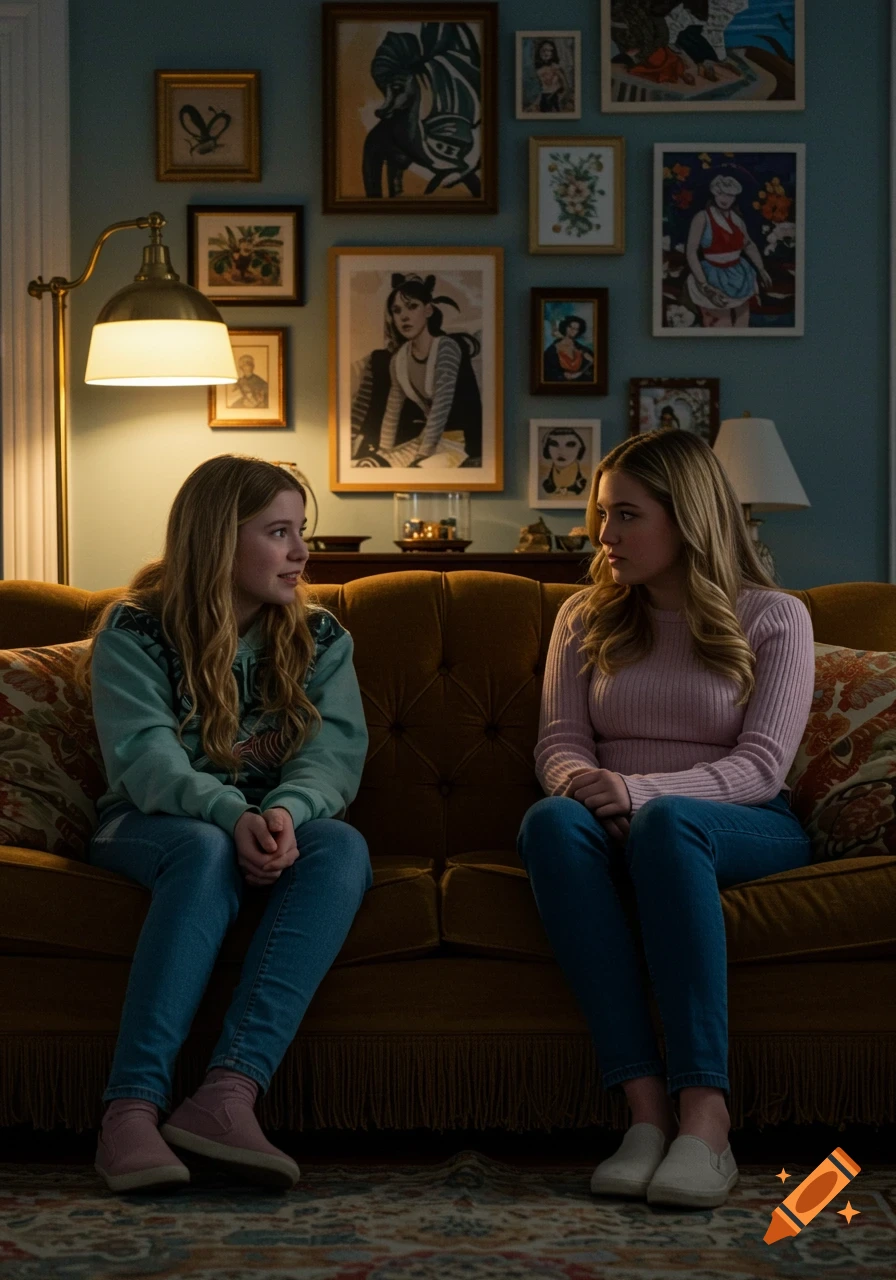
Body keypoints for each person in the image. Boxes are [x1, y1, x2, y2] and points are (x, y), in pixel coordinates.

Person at [517, 428, 814, 1209]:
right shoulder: (585, 616)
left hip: (740, 823)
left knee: (666, 825)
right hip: (612, 816)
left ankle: (705, 1119)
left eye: (627, 515)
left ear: (688, 519)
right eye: (601, 514)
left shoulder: (775, 617)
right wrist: (590, 789)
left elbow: (761, 768)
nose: (604, 535)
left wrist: (642, 796)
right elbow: (560, 742)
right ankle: (645, 1115)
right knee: (548, 824)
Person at [80, 455, 372, 1194]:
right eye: (280, 532)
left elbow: (334, 760)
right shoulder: (135, 629)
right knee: (206, 847)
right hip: (150, 826)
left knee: (341, 845)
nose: (303, 553)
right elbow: (146, 763)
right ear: (217, 540)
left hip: (271, 823)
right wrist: (231, 813)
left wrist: (281, 811)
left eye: (302, 531)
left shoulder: (322, 637)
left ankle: (226, 1095)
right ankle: (130, 1112)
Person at [370, 272, 483, 468]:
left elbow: (441, 405)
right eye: (397, 311)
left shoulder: (447, 348)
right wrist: (383, 452)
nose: (404, 316)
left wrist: (422, 455)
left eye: (412, 307)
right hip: (428, 441)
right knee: (373, 464)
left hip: (460, 442)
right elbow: (392, 410)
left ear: (428, 310)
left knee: (418, 470)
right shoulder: (399, 359)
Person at [685, 173, 772, 328]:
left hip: (740, 275)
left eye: (730, 195)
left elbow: (749, 244)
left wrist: (761, 268)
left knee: (742, 323)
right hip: (712, 276)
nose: (725, 199)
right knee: (720, 325)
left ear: (735, 196)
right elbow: (691, 252)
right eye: (721, 193)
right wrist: (705, 285)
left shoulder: (737, 219)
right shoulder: (702, 217)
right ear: (714, 193)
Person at [543, 315, 595, 383]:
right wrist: (562, 375)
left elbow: (593, 362)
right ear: (565, 327)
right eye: (570, 327)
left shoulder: (581, 348)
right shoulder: (552, 350)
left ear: (579, 331)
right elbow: (547, 371)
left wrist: (580, 373)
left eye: (576, 329)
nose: (573, 330)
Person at [542, 427, 589, 498]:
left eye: (570, 445)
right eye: (554, 444)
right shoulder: (542, 478)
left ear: (580, 450)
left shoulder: (588, 477)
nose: (561, 451)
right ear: (547, 450)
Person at [530, 39, 570, 112]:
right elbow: (541, 89)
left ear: (553, 53)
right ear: (539, 52)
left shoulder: (556, 67)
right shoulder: (537, 70)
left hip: (555, 97)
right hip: (543, 98)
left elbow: (565, 86)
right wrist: (535, 103)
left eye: (549, 50)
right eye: (544, 50)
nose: (546, 53)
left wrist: (558, 98)